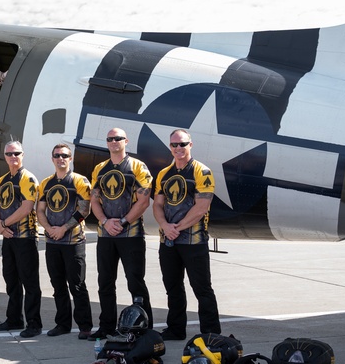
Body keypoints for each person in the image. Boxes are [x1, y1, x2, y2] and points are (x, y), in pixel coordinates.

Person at [152, 128, 221, 340]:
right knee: (173, 288)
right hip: (169, 242)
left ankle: (210, 333)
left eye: (182, 144)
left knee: (202, 289)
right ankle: (175, 329)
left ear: (190, 145)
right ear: (170, 147)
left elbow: (202, 207)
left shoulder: (202, 172)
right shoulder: (164, 174)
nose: (178, 148)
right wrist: (165, 225)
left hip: (194, 241)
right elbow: (157, 205)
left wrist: (176, 228)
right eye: (174, 145)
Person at [89, 127, 153, 339]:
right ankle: (106, 326)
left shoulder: (137, 166)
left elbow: (143, 201)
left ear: (126, 141)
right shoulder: (99, 168)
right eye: (110, 139)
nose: (114, 142)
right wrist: (106, 222)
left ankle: (144, 327)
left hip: (131, 234)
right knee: (105, 282)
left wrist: (123, 222)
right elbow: (94, 200)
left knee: (135, 281)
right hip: (105, 234)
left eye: (118, 138)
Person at [37, 143, 94, 340]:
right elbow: (40, 210)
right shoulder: (46, 183)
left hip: (73, 242)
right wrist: (49, 228)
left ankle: (85, 326)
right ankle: (62, 324)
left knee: (77, 285)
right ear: (52, 158)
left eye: (65, 155)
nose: (61, 158)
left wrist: (63, 228)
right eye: (57, 155)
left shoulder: (79, 181)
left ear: (70, 159)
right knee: (57, 285)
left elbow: (84, 209)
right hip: (53, 242)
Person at [0, 141, 42, 338]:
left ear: (23, 155)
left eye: (17, 153)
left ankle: (34, 323)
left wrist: (3, 224)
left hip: (26, 237)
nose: (13, 157)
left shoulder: (27, 178)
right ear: (5, 156)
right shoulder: (3, 179)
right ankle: (13, 319)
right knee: (11, 280)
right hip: (8, 237)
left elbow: (27, 207)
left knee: (30, 283)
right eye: (9, 153)